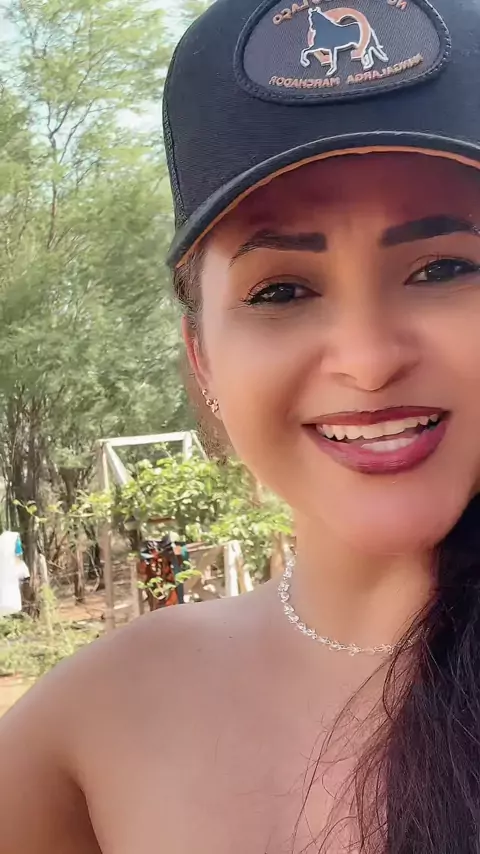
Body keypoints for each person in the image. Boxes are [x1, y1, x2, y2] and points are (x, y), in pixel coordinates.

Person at [1, 0, 480, 850]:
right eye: (281, 290)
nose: (368, 360)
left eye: (442, 268)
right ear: (203, 358)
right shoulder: (85, 733)